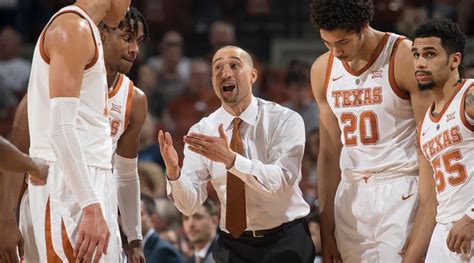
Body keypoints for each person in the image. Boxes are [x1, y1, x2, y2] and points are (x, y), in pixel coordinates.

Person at [8, 7, 148, 262]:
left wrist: (134, 237)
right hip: (59, 191)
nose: (134, 50)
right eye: (127, 38)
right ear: (102, 33)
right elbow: (14, 158)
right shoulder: (51, 83)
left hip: (100, 192)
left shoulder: (134, 99)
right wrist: (5, 218)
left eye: (138, 42)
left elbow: (127, 173)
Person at [159, 45, 315, 263]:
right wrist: (174, 174)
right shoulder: (202, 130)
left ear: (252, 76)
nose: (226, 73)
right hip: (232, 243)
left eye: (234, 65)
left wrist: (231, 160)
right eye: (218, 68)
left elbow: (282, 181)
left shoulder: (285, 120)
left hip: (284, 240)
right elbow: (190, 204)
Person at [309, 0, 433, 262]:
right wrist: (326, 225)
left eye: (343, 42)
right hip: (352, 191)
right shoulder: (322, 69)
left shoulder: (403, 56)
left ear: (363, 27)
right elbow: (330, 152)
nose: (336, 51)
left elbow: (429, 144)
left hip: (401, 184)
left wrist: (426, 214)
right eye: (327, 43)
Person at [403, 18, 474, 262]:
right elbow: (427, 205)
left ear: (455, 60)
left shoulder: (470, 96)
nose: (420, 63)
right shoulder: (423, 128)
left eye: (430, 54)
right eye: (416, 54)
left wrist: (473, 216)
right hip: (444, 235)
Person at [141, 194, 182, 263]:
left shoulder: (164, 250)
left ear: (153, 218)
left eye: (139, 214)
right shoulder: (130, 248)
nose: (131, 220)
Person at [182, 199, 219, 263]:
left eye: (198, 217)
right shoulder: (188, 261)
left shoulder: (228, 254)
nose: (190, 224)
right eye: (186, 218)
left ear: (214, 221)